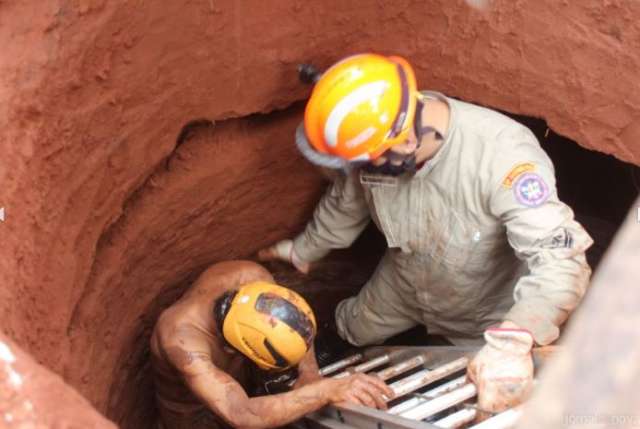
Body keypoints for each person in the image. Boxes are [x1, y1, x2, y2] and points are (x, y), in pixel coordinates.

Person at [259, 53, 593, 414]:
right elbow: (345, 201)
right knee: (353, 325)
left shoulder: (503, 156)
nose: (353, 170)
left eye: (360, 162)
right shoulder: (383, 131)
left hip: (481, 310)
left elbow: (562, 260)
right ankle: (332, 346)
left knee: (473, 396)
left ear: (402, 144)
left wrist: (511, 343)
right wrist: (303, 251)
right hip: (403, 282)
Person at [150, 260, 393, 429]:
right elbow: (241, 413)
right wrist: (326, 390)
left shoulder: (253, 277)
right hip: (188, 405)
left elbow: (295, 322)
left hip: (232, 372)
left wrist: (309, 373)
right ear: (230, 348)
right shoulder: (181, 341)